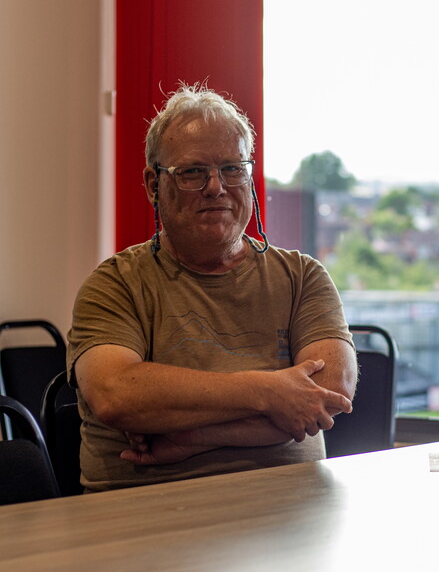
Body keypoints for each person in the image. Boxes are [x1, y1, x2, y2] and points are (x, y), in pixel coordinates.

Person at [67, 83, 358, 492]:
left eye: (232, 169)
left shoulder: (302, 276)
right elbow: (117, 395)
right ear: (153, 185)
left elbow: (328, 395)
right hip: (145, 520)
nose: (216, 187)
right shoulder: (114, 284)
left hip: (291, 511)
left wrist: (188, 438)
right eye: (192, 172)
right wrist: (269, 391)